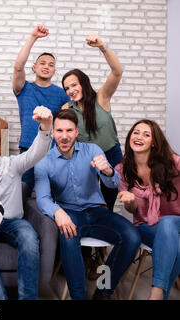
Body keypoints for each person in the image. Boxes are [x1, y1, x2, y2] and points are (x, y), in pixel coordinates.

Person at [35, 109, 140, 300]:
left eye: (69, 130)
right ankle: (78, 297)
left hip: (98, 213)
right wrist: (57, 212)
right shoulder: (44, 162)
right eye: (59, 131)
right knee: (67, 236)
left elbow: (113, 184)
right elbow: (42, 198)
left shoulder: (93, 150)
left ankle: (102, 291)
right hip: (70, 213)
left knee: (132, 236)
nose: (64, 136)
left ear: (76, 132)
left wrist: (108, 171)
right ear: (53, 133)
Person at [0, 106, 53, 300]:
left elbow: (35, 153)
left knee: (30, 238)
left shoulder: (13, 164)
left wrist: (46, 126)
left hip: (14, 222)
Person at [116, 119, 180, 300]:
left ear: (154, 142)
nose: (139, 137)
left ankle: (155, 294)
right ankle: (161, 294)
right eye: (135, 132)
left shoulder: (172, 163)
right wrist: (129, 200)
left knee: (168, 221)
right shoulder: (122, 170)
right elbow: (132, 209)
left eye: (146, 134)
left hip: (177, 221)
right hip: (146, 225)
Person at [61, 33, 124, 212]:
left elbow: (117, 71)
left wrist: (102, 46)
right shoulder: (68, 107)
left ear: (83, 82)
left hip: (110, 154)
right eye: (67, 88)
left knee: (109, 196)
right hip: (85, 159)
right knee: (87, 200)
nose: (71, 90)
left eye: (74, 85)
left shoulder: (101, 97)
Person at [13, 24, 70, 196]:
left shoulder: (62, 95)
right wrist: (33, 37)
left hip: (52, 152)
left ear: (54, 70)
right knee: (21, 193)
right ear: (34, 67)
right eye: (42, 63)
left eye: (51, 65)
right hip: (27, 150)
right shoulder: (23, 87)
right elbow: (17, 66)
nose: (46, 66)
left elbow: (67, 124)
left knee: (52, 195)